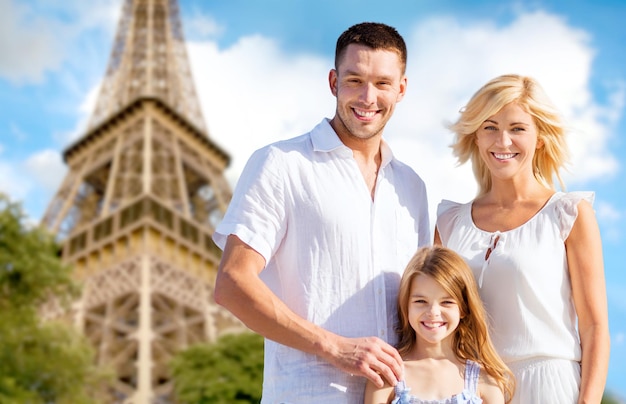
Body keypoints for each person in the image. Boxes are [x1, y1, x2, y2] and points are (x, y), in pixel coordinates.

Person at [212, 22, 430, 403]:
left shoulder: (412, 187)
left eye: (382, 83)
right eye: (354, 80)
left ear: (402, 89)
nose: (367, 97)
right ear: (333, 82)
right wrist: (335, 347)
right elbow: (232, 282)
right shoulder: (281, 164)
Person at [435, 74, 610, 403]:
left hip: (549, 387)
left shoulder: (569, 214)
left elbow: (595, 328)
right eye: (489, 127)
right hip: (470, 388)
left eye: (517, 128)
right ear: (475, 136)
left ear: (540, 137)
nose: (502, 142)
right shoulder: (448, 223)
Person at [364, 246, 515, 404]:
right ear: (406, 305)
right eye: (421, 301)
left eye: (447, 302)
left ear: (463, 308)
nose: (433, 312)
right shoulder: (387, 375)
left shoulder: (485, 381)